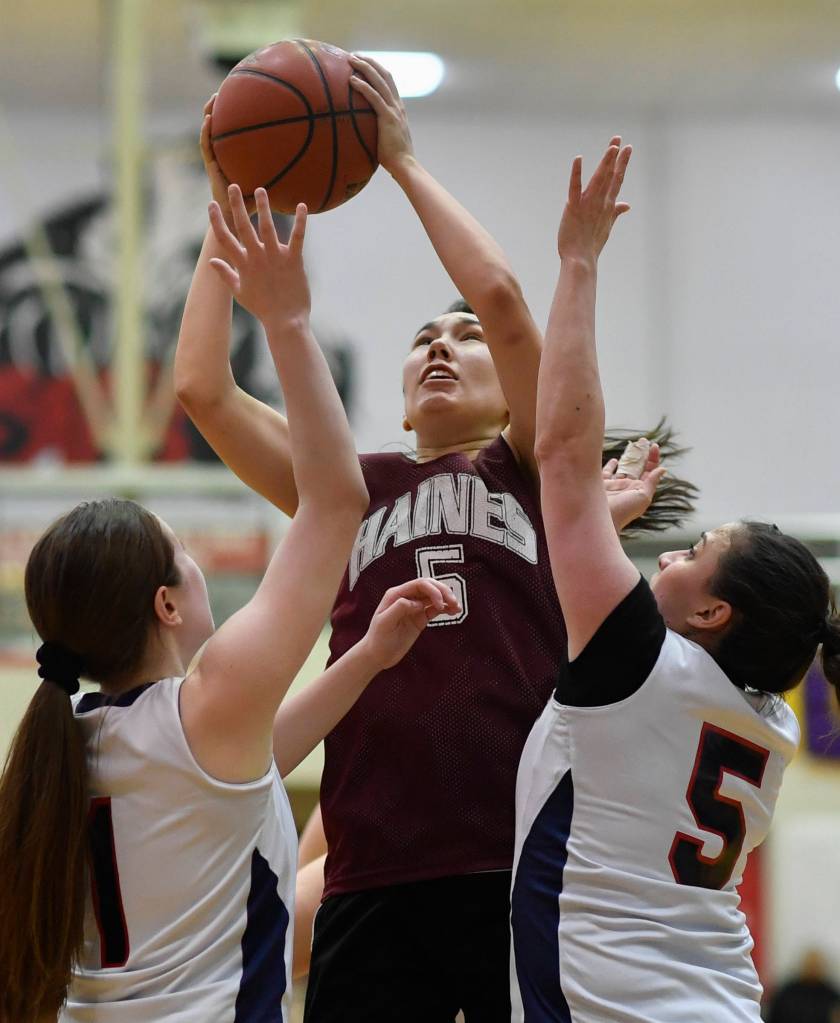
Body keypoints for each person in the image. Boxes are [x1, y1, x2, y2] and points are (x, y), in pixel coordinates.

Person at [175, 64, 694, 1021]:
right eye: (424, 339)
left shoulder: (545, 476)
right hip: (371, 861)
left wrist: (400, 160)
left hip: (518, 861)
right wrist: (228, 217)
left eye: (464, 339)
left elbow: (500, 295)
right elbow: (203, 389)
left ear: (514, 389)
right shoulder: (343, 486)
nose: (445, 346)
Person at [0, 186, 459, 1023]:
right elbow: (334, 500)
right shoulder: (206, 704)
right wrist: (286, 321)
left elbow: (250, 763)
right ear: (167, 605)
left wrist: (366, 656)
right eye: (189, 554)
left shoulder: (73, 742)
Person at [511, 139, 840, 1022]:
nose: (668, 553)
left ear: (712, 609)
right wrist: (595, 532)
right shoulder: (763, 719)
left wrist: (577, 263)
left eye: (693, 552)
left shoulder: (641, 669)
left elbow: (562, 456)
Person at [765, 949, 840, 1023]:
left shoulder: (832, 997)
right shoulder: (786, 994)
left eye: (816, 965)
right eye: (810, 965)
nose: (813, 969)